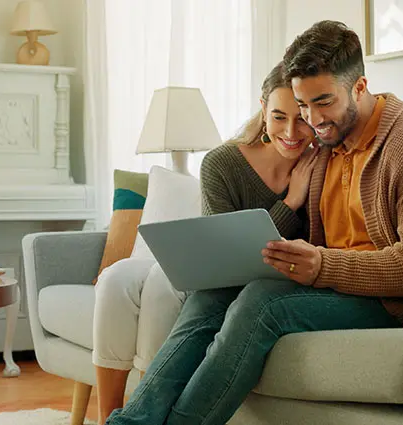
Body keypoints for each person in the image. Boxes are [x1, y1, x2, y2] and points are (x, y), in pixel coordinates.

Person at [105, 20, 403, 425]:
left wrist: (324, 265)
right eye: (303, 105)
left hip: (387, 301)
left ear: (360, 87)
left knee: (263, 302)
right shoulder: (327, 143)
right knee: (212, 297)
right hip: (332, 285)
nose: (312, 120)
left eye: (323, 102)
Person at [93, 62, 318, 423]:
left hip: (283, 284)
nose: (291, 132)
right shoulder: (223, 164)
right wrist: (290, 203)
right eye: (278, 117)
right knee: (206, 301)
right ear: (263, 110)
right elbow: (226, 262)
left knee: (211, 303)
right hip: (225, 282)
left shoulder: (321, 165)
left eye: (301, 118)